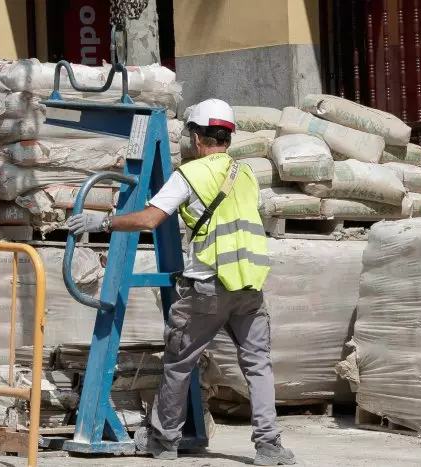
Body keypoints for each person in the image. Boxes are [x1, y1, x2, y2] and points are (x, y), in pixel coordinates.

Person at [67, 99, 296, 466]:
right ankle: (269, 446)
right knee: (258, 365)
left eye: (190, 134)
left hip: (208, 285)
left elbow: (149, 220)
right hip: (249, 286)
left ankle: (163, 440)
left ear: (198, 137)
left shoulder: (190, 174)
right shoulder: (248, 174)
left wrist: (104, 223)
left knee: (179, 361)